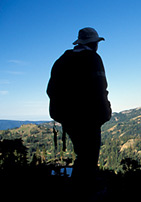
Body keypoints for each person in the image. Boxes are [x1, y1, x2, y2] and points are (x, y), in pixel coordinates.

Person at [47, 27, 112, 181]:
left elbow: (50, 89)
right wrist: (105, 113)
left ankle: (80, 190)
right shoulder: (93, 58)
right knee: (89, 157)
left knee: (82, 154)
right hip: (89, 118)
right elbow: (100, 88)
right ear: (94, 43)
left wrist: (62, 112)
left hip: (67, 118)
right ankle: (84, 193)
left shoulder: (61, 60)